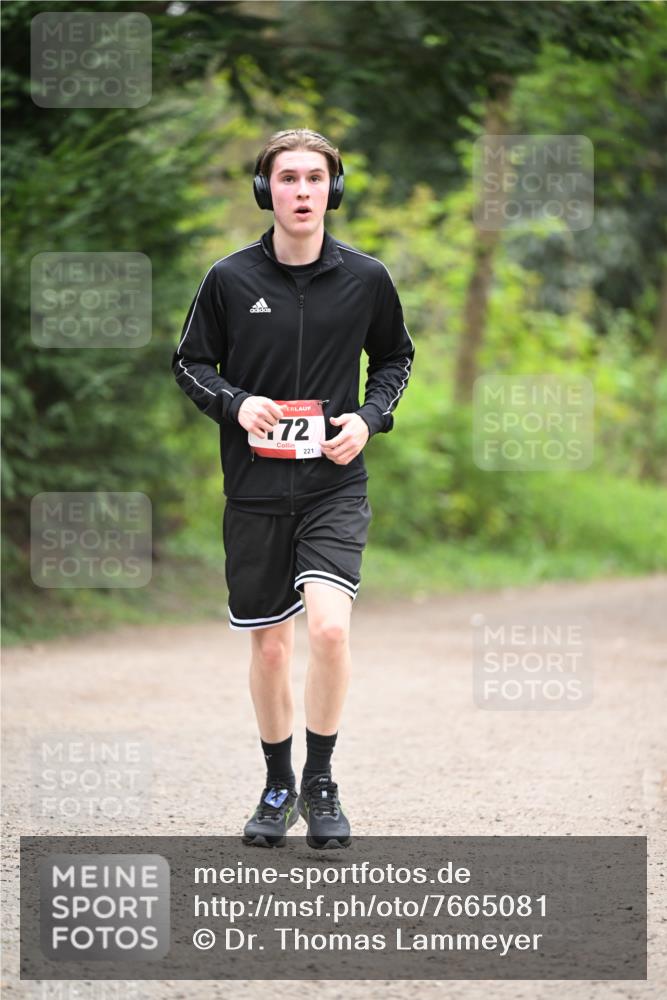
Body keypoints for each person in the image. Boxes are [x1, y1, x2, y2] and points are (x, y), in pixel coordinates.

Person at [172, 128, 414, 849]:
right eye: (288, 179)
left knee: (330, 629)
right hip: (252, 490)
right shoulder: (228, 279)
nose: (302, 191)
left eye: (315, 178)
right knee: (272, 648)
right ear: (265, 190)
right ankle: (277, 786)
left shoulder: (366, 279)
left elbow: (395, 359)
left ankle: (322, 780)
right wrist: (235, 403)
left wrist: (370, 421)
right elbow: (190, 364)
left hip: (332, 485)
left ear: (332, 191)